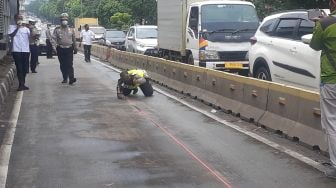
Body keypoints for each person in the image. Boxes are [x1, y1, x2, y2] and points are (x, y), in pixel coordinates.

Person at [310, 0, 336, 179]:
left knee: (332, 123)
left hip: (331, 80)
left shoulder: (325, 23)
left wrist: (318, 24)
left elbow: (315, 45)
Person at [52, 13, 78, 85]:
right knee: (63, 64)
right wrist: (54, 48)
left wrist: (75, 47)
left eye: (66, 19)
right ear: (60, 20)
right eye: (63, 19)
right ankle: (65, 77)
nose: (64, 21)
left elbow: (74, 39)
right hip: (60, 49)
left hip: (69, 48)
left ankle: (71, 78)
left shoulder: (71, 29)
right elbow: (54, 39)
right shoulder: (57, 30)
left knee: (70, 64)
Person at [8, 14, 30, 91]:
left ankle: (23, 84)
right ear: (15, 19)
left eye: (21, 18)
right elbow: (11, 35)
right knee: (19, 68)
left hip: (25, 51)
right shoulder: (11, 27)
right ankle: (20, 85)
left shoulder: (26, 29)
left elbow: (31, 38)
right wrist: (17, 28)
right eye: (18, 18)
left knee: (25, 69)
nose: (20, 19)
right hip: (16, 51)